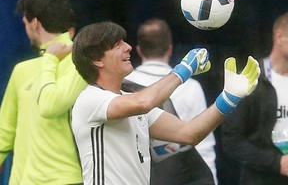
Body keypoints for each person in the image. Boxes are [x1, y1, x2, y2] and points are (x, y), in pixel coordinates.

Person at [71, 21, 260, 185]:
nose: (128, 46)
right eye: (116, 45)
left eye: (124, 41)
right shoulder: (90, 99)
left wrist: (228, 98)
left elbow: (189, 133)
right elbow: (144, 101)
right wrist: (184, 70)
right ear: (96, 60)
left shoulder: (132, 103)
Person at [0, 0, 87, 184]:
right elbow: (4, 133)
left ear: (35, 23)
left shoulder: (82, 60)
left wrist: (50, 59)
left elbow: (53, 104)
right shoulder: (21, 70)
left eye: (25, 23)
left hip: (65, 179)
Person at [123, 18, 217, 184]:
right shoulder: (191, 86)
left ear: (138, 50)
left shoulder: (123, 84)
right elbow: (204, 144)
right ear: (170, 49)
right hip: (185, 176)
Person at [221, 12, 288, 185]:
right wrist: (275, 162)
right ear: (280, 37)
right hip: (261, 179)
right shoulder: (252, 80)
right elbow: (231, 140)